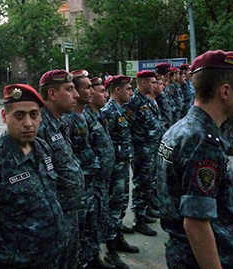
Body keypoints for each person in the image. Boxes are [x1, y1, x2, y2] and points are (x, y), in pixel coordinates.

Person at [157, 50, 233, 268]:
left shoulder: (181, 128)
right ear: (225, 91)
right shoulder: (201, 140)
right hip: (201, 260)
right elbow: (196, 223)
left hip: (184, 254)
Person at [0, 84, 65, 268]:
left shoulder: (42, 148)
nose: (28, 123)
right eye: (19, 115)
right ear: (4, 116)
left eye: (34, 114)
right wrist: (6, 247)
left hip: (50, 259)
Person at [38, 69, 84, 268]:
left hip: (69, 210)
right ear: (53, 94)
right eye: (70, 89)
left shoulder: (61, 122)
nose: (77, 95)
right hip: (54, 217)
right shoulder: (40, 126)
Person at [61, 69, 105, 268]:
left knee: (91, 226)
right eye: (87, 87)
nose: (91, 91)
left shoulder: (83, 117)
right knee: (78, 233)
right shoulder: (68, 121)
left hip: (91, 182)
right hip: (79, 189)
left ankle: (92, 259)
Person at [101, 75, 140, 265]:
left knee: (122, 203)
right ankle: (110, 249)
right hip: (115, 168)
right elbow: (105, 143)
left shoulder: (121, 109)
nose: (131, 92)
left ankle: (117, 238)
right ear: (117, 90)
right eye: (128, 89)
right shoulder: (108, 111)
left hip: (123, 164)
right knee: (113, 208)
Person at [125, 70, 161, 236]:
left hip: (151, 149)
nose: (155, 85)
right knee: (142, 183)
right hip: (141, 151)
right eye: (152, 82)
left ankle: (145, 211)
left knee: (149, 182)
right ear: (143, 82)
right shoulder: (134, 102)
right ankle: (138, 219)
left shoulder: (147, 100)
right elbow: (128, 127)